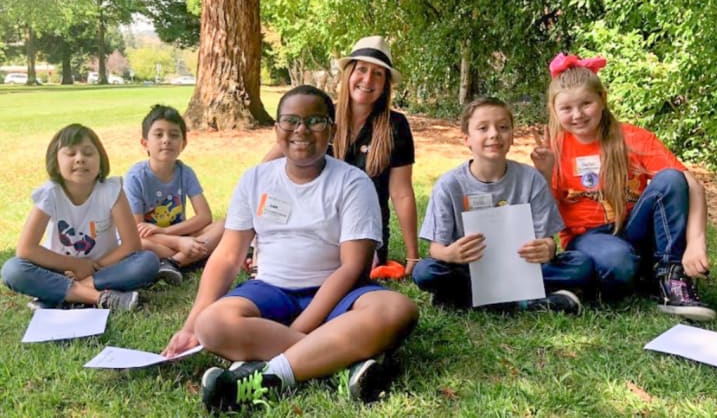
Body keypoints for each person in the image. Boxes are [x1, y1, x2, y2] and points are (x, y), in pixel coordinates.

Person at [162, 85, 418, 412]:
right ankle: (339, 364)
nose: (301, 130)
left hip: (339, 294)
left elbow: (353, 267)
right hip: (270, 289)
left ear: (332, 130)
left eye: (314, 121)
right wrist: (189, 326)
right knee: (211, 325)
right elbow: (227, 257)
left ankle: (271, 373)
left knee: (397, 310)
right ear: (276, 130)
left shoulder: (354, 182)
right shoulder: (255, 179)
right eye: (290, 121)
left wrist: (300, 328)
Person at [531, 53, 715, 321]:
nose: (578, 115)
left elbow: (691, 183)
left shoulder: (632, 137)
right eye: (567, 108)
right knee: (618, 261)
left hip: (632, 227)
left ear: (602, 99)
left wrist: (696, 243)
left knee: (671, 179)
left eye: (586, 104)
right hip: (588, 238)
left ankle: (671, 276)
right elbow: (545, 213)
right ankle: (635, 274)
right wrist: (545, 173)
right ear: (554, 110)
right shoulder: (555, 148)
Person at [413, 97, 592, 312]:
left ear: (512, 136)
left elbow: (547, 240)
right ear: (467, 138)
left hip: (521, 268)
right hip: (471, 268)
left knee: (580, 265)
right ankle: (526, 302)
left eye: (503, 127)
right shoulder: (449, 185)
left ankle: (464, 299)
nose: (494, 134)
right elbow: (436, 249)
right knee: (425, 271)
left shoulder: (531, 179)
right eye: (482, 128)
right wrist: (451, 254)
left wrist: (547, 248)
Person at [263, 36, 419, 276]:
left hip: (362, 231)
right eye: (362, 70)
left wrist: (413, 256)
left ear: (386, 83)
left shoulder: (395, 125)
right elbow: (268, 166)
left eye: (378, 74)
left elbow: (402, 193)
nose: (368, 80)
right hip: (314, 223)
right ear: (348, 74)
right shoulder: (321, 114)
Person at [1, 124, 159, 311]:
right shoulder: (50, 193)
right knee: (13, 270)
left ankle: (58, 296)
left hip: (104, 268)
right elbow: (26, 249)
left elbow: (131, 244)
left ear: (101, 160)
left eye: (88, 153)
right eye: (70, 153)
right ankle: (100, 297)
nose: (80, 159)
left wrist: (92, 267)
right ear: (56, 162)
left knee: (147, 261)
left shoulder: (112, 190)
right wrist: (75, 265)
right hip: (60, 270)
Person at [124, 105, 224, 285]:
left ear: (183, 144)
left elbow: (204, 216)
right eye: (158, 134)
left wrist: (168, 233)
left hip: (175, 234)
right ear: (144, 143)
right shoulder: (135, 177)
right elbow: (136, 230)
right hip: (152, 240)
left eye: (174, 135)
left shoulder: (185, 172)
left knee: (225, 224)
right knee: (139, 244)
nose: (166, 140)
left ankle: (174, 262)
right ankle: (193, 256)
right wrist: (178, 242)